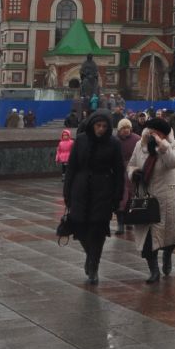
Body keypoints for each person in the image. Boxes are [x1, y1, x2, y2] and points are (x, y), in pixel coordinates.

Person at [63, 110, 124, 285]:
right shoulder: (81, 140)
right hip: (81, 189)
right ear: (92, 125)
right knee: (81, 228)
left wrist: (117, 195)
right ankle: (90, 255)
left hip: (103, 190)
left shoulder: (113, 143)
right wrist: (67, 192)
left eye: (104, 126)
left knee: (98, 230)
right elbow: (72, 167)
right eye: (98, 125)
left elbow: (119, 171)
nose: (101, 129)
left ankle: (94, 265)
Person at [126, 117, 175, 283]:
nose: (154, 135)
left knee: (170, 235)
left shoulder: (173, 144)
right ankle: (154, 271)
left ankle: (168, 254)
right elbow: (131, 164)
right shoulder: (140, 145)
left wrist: (163, 146)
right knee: (147, 238)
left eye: (158, 133)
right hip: (146, 197)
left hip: (168, 198)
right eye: (152, 131)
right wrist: (134, 173)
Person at [115, 118, 142, 234]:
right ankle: (120, 223)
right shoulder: (115, 140)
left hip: (132, 170)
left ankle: (129, 220)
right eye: (123, 128)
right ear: (119, 129)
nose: (126, 130)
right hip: (118, 171)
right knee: (120, 198)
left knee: (131, 197)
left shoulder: (137, 139)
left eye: (128, 127)